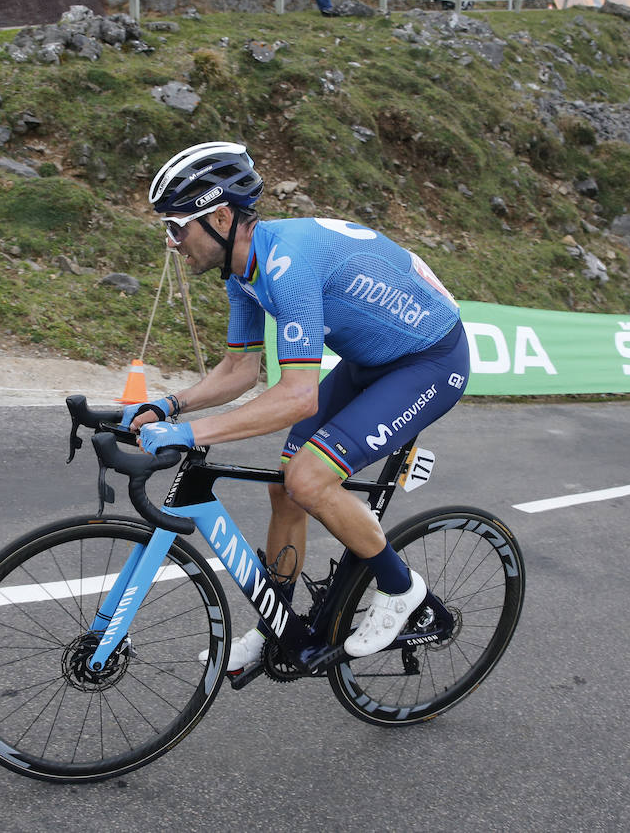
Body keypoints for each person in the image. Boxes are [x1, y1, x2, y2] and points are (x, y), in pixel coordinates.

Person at [124, 141, 469, 672]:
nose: (171, 243)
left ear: (219, 216)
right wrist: (170, 406)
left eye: (176, 226)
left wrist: (192, 435)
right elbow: (240, 371)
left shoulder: (288, 263)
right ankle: (278, 626)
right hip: (366, 364)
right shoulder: (244, 269)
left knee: (308, 479)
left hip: (428, 362)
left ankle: (403, 592)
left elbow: (297, 396)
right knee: (283, 487)